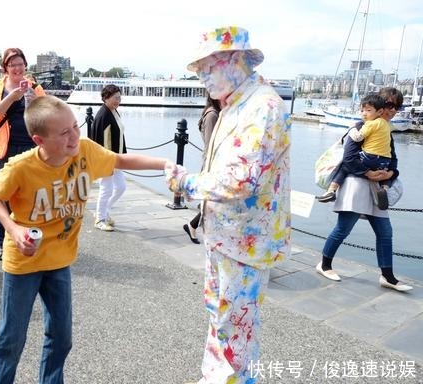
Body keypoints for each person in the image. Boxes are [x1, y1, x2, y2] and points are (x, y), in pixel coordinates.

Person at [0, 95, 174, 383]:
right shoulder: (21, 167)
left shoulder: (84, 151)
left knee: (61, 337)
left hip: (60, 260)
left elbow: (121, 159)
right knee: (12, 338)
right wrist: (12, 228)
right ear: (39, 140)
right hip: (24, 262)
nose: (74, 136)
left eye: (75, 126)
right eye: (64, 132)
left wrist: (166, 164)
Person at [166, 26, 291, 383]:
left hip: (245, 241)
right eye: (200, 69)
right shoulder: (237, 104)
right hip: (229, 235)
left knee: (235, 326)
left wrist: (185, 182)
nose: (202, 76)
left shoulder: (262, 105)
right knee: (222, 317)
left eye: (209, 67)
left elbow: (242, 178)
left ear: (236, 61)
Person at [316, 87, 413, 292]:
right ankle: (324, 264)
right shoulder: (361, 126)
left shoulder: (387, 131)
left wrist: (390, 175)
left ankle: (387, 276)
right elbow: (349, 158)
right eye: (389, 105)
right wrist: (368, 173)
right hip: (356, 185)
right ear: (378, 106)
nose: (393, 110)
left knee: (385, 232)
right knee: (343, 229)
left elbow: (393, 161)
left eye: (397, 106)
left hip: (378, 188)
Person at [0, 47, 45, 260]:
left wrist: (31, 98)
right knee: (2, 195)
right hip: (4, 149)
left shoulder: (35, 86)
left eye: (20, 64)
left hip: (30, 147)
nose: (17, 68)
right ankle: (0, 242)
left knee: (28, 194)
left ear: (25, 66)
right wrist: (12, 97)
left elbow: (44, 116)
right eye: (12, 65)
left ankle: (28, 239)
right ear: (5, 68)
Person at [317, 94, 393, 209]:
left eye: (368, 110)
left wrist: (351, 128)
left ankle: (331, 191)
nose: (364, 113)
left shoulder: (371, 124)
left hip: (370, 157)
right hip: (385, 161)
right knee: (385, 175)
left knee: (345, 165)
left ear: (380, 111)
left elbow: (358, 137)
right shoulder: (386, 125)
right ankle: (384, 190)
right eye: (362, 110)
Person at [183, 93, 221, 244]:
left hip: (215, 162)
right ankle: (194, 226)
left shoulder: (215, 113)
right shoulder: (212, 115)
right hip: (212, 163)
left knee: (212, 201)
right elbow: (211, 145)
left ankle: (193, 225)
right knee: (212, 200)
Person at [90, 84, 127, 231]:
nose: (118, 100)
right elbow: (97, 140)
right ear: (106, 98)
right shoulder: (103, 115)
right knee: (107, 189)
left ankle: (103, 212)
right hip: (106, 159)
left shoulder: (113, 111)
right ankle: (100, 219)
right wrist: (102, 161)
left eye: (119, 97)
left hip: (115, 158)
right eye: (115, 98)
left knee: (121, 188)